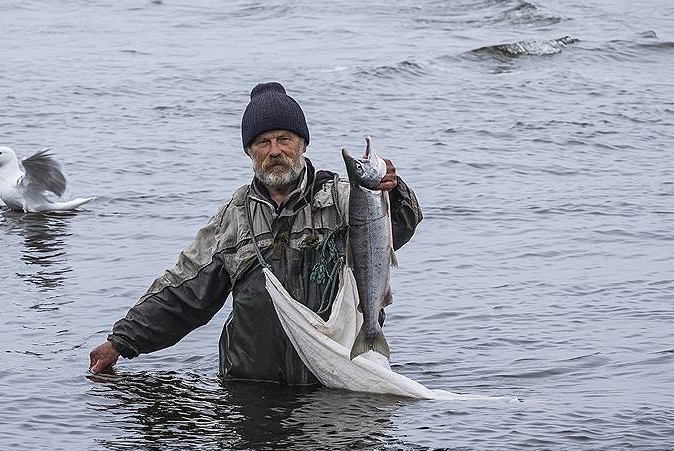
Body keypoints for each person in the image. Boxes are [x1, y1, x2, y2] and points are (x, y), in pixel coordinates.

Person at [89, 82, 423, 385]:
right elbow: (184, 292)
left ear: (302, 143)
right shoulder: (233, 216)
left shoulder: (346, 197)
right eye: (263, 142)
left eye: (284, 139)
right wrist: (121, 342)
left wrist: (389, 191)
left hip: (338, 381)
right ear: (250, 151)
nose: (274, 151)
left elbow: (402, 225)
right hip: (251, 388)